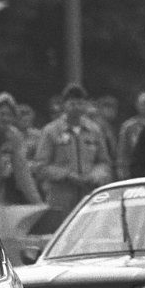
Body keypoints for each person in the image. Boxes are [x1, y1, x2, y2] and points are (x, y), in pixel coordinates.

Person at [32, 83, 112, 219]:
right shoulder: (51, 131)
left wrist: (96, 174)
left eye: (80, 103)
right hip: (60, 196)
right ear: (64, 105)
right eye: (72, 103)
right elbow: (40, 166)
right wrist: (67, 175)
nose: (76, 107)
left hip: (89, 195)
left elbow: (104, 162)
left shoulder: (94, 130)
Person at [115, 91, 145, 181]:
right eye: (143, 104)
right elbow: (123, 153)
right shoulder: (128, 127)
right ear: (137, 106)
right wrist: (123, 174)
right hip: (135, 173)